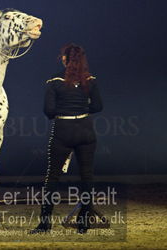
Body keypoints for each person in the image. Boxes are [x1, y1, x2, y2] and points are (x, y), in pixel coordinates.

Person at [30, 43, 103, 234]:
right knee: (87, 177)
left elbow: (49, 110)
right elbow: (98, 106)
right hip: (86, 131)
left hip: (63, 130)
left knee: (52, 177)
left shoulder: (54, 81)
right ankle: (84, 223)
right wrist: (81, 110)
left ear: (64, 59)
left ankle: (45, 223)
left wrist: (65, 111)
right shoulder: (90, 80)